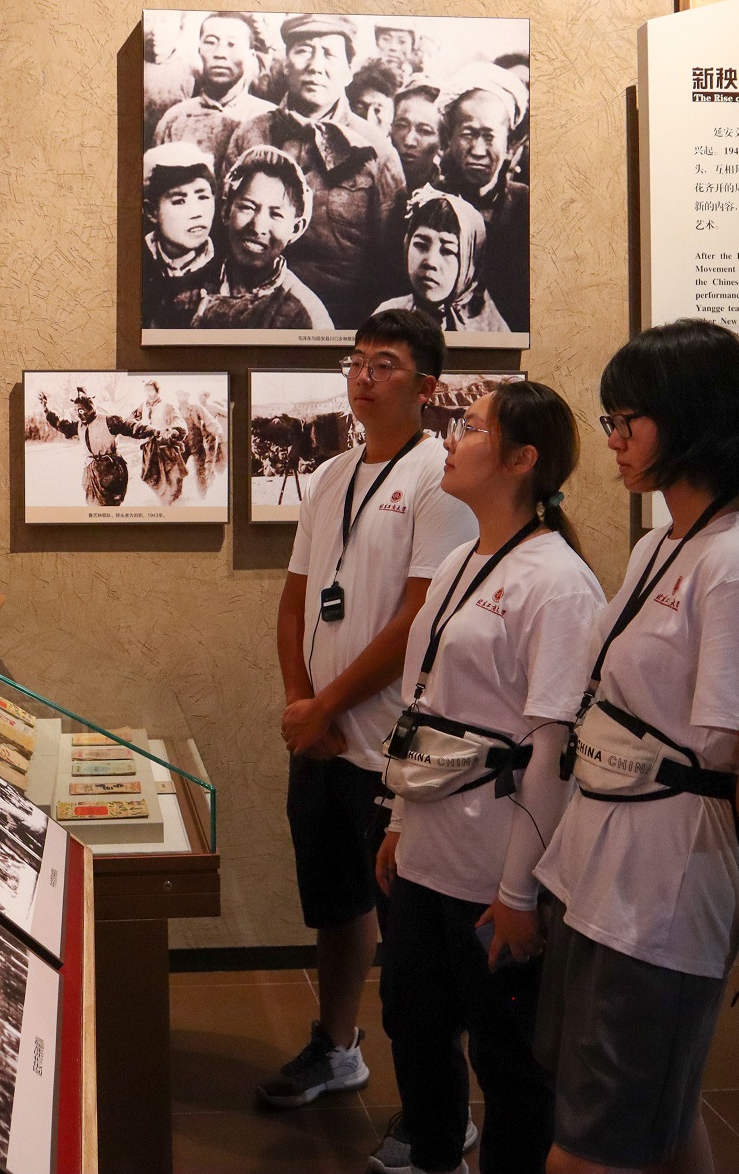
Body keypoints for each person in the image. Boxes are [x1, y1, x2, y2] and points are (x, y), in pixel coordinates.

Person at [533, 317, 739, 1174]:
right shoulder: (664, 541)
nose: (613, 440)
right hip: (606, 859)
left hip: (663, 881)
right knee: (656, 1119)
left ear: (689, 419)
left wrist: (737, 851)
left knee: (596, 1143)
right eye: (610, 419)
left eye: (628, 420)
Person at [371, 381, 604, 1174]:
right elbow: (422, 706)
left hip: (495, 863)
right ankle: (434, 1152)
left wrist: (518, 893)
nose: (451, 438)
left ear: (521, 459)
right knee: (412, 1018)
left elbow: (552, 748)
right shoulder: (457, 562)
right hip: (428, 848)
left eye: (470, 427)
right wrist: (397, 821)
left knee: (509, 1060)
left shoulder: (558, 580)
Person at [259, 309, 478, 1108]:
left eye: (384, 364)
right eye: (356, 361)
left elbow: (419, 617)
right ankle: (337, 1045)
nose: (363, 376)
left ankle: (437, 1110)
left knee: (414, 932)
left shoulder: (439, 479)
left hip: (389, 743)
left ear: (426, 387)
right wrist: (301, 703)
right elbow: (294, 601)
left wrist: (327, 706)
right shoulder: (330, 474)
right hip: (321, 735)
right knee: (336, 904)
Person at [227, 14, 406, 329]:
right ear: (286, 65)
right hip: (254, 318)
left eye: (329, 54)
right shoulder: (250, 135)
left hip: (341, 326)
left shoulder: (377, 151)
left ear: (348, 71)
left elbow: (392, 266)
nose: (315, 65)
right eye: (304, 50)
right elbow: (222, 232)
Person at [167, 145, 332, 331]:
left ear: (295, 228)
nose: (257, 227)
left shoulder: (304, 315)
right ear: (225, 210)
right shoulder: (186, 292)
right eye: (247, 207)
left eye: (276, 214)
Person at [432, 68, 530, 334]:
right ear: (449, 139)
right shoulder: (427, 203)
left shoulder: (527, 206)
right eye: (467, 134)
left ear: (509, 145)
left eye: (489, 136)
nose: (477, 150)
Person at [374, 188, 514, 336]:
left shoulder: (491, 330)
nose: (430, 262)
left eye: (448, 251)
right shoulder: (388, 315)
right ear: (407, 244)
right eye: (421, 245)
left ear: (469, 263)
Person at [153, 11, 275, 176]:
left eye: (231, 44)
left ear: (250, 55)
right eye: (211, 42)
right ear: (199, 50)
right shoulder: (174, 119)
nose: (220, 54)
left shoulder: (269, 118)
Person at [139, 142, 223, 326]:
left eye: (203, 197)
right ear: (152, 212)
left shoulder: (226, 270)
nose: (196, 213)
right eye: (179, 201)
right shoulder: (136, 264)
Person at [389, 77, 443, 197]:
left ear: (442, 140)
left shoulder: (449, 198)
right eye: (402, 126)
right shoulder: (370, 186)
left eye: (424, 131)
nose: (409, 141)